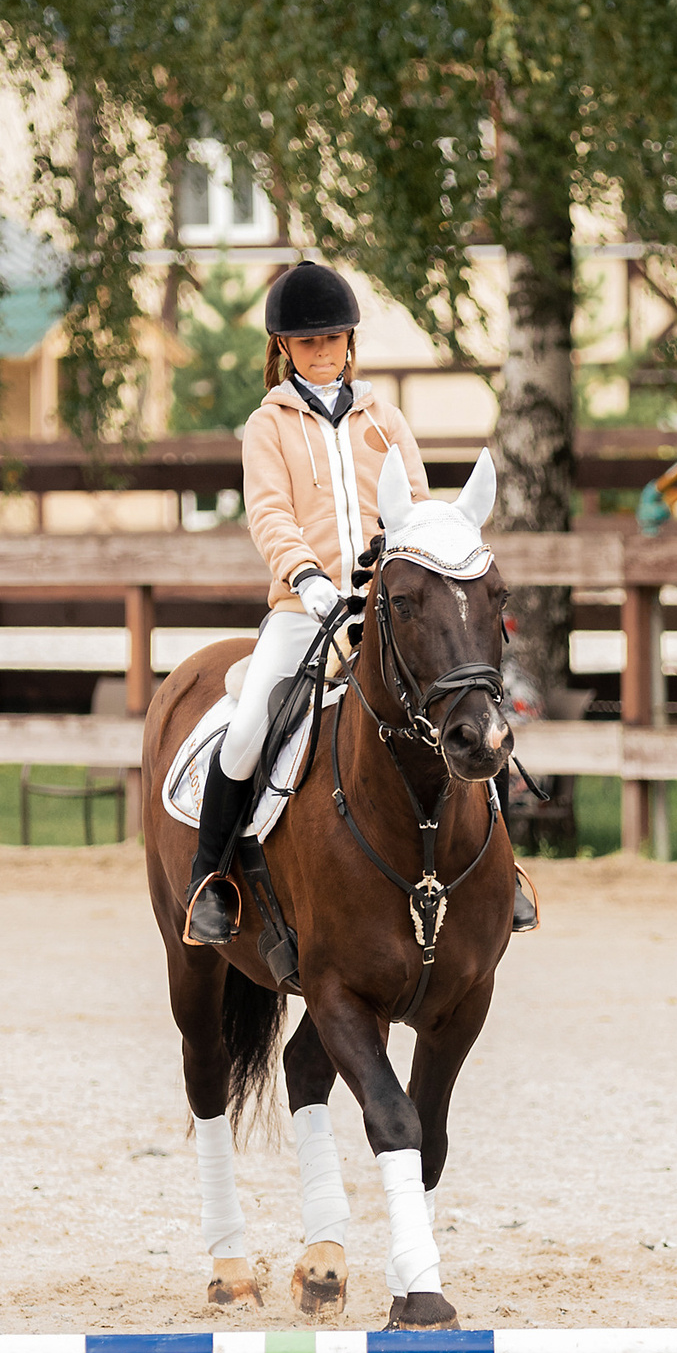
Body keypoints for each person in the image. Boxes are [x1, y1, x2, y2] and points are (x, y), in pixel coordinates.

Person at [182, 261, 533, 943]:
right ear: (284, 347)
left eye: (333, 337)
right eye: (308, 341)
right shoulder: (267, 427)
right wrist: (307, 576)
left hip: (386, 611)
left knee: (462, 708)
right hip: (301, 609)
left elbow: (415, 512)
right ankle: (212, 878)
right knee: (251, 720)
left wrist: (391, 557)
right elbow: (269, 512)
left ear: (350, 340)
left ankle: (505, 870)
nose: (323, 350)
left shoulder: (385, 420)